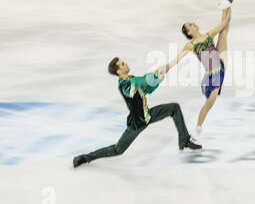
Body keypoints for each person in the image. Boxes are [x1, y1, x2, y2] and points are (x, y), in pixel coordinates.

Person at [73, 57, 201, 168]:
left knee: (174, 108)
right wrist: (152, 75)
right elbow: (134, 86)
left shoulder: (131, 78)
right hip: (137, 123)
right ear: (118, 71)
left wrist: (159, 77)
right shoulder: (124, 85)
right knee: (118, 150)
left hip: (148, 115)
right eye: (123, 64)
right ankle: (85, 157)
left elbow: (147, 89)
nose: (126, 64)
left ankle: (184, 140)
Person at [167, 0, 233, 141]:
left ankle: (225, 1)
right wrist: (165, 68)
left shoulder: (208, 34)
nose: (193, 23)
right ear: (189, 32)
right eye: (190, 25)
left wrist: (229, 5)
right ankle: (198, 128)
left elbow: (225, 22)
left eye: (191, 22)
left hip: (220, 64)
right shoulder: (190, 45)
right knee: (209, 103)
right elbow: (177, 59)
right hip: (212, 76)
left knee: (223, 31)